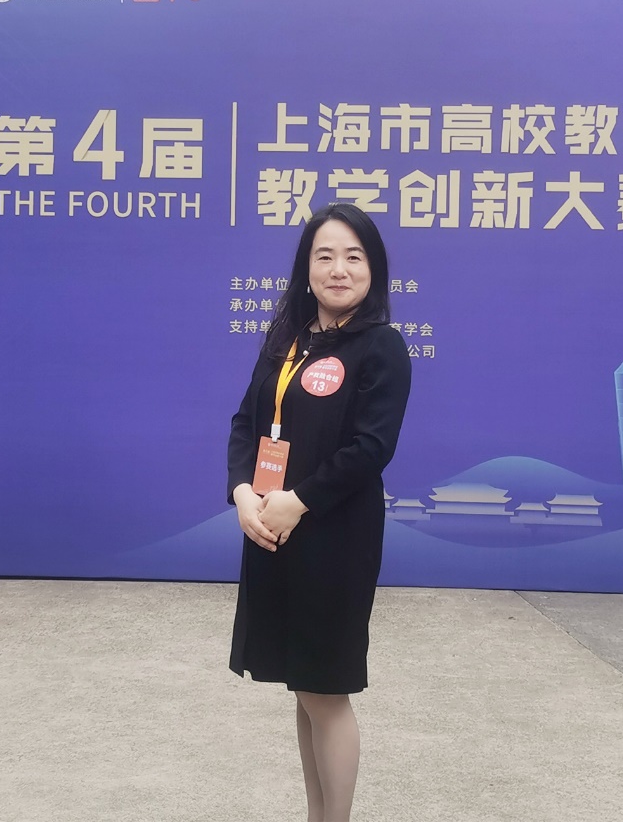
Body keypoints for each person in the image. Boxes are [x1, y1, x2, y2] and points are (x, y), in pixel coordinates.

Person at [226, 203, 412, 822]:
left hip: (335, 537)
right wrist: (243, 493)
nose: (339, 269)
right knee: (304, 686)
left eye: (353, 257)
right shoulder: (288, 340)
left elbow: (371, 448)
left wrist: (298, 501)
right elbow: (247, 424)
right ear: (306, 269)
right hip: (273, 529)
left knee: (326, 690)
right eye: (325, 255)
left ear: (373, 268)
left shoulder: (382, 346)